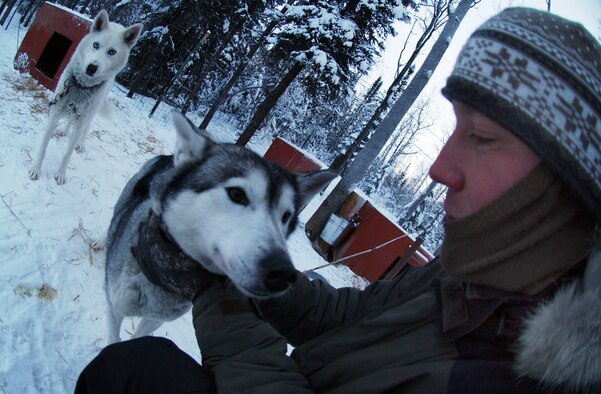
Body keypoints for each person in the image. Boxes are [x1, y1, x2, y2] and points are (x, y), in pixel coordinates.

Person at [76, 7, 600, 393]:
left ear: (565, 180)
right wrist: (251, 270)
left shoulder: (538, 378)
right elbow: (345, 314)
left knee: (133, 375)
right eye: (453, 129)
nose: (440, 168)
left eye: (481, 136)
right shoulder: (470, 276)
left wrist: (227, 305)